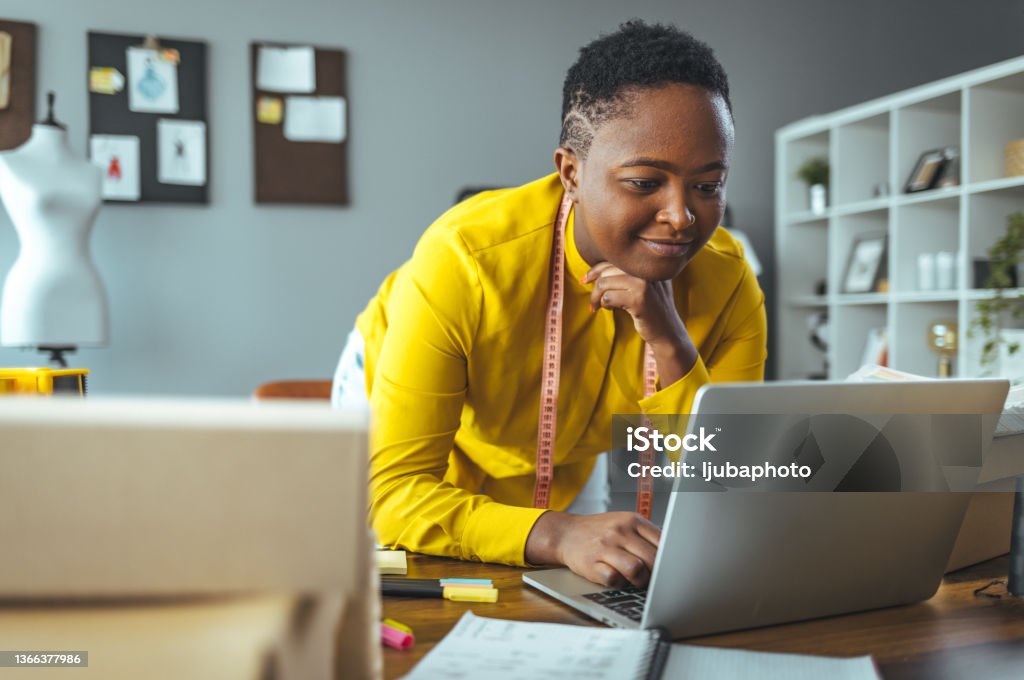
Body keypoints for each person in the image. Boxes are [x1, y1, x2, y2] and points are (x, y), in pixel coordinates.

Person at [334, 20, 766, 588]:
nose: (682, 217)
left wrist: (671, 341)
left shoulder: (729, 280)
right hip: (405, 410)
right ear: (571, 173)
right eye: (643, 183)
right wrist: (559, 533)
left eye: (708, 187)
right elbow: (392, 494)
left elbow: (733, 485)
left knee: (571, 578)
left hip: (557, 452)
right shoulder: (465, 258)